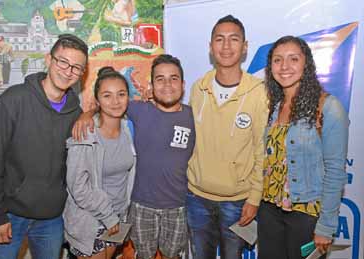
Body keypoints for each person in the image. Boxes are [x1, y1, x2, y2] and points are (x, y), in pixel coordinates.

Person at [72, 54, 196, 259]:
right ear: (151, 84)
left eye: (173, 78)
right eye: (160, 79)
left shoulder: (193, 116)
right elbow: (109, 103)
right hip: (140, 206)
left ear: (183, 84)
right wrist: (86, 114)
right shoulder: (138, 109)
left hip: (178, 206)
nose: (167, 84)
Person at [0, 34, 88, 259]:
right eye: (63, 62)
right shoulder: (14, 99)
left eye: (76, 68)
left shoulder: (76, 114)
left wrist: (91, 112)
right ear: (49, 59)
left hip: (52, 219)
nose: (68, 71)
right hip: (8, 215)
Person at [257, 36, 349, 259]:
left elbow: (335, 172)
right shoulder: (273, 107)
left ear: (306, 64)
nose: (285, 66)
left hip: (306, 214)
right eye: (277, 60)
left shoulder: (328, 108)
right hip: (269, 211)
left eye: (293, 59)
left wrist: (326, 227)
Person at [186, 14, 268, 259]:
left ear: (244, 47)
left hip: (237, 202)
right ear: (211, 47)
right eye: (219, 39)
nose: (226, 46)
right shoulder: (198, 88)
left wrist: (254, 198)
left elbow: (262, 151)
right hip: (196, 197)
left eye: (234, 39)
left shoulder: (259, 93)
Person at [64, 67, 136, 259]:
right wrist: (108, 216)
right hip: (91, 221)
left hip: (118, 217)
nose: (115, 101)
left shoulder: (129, 128)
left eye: (121, 94)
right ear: (97, 101)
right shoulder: (84, 133)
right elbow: (77, 186)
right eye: (107, 95)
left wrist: (118, 217)